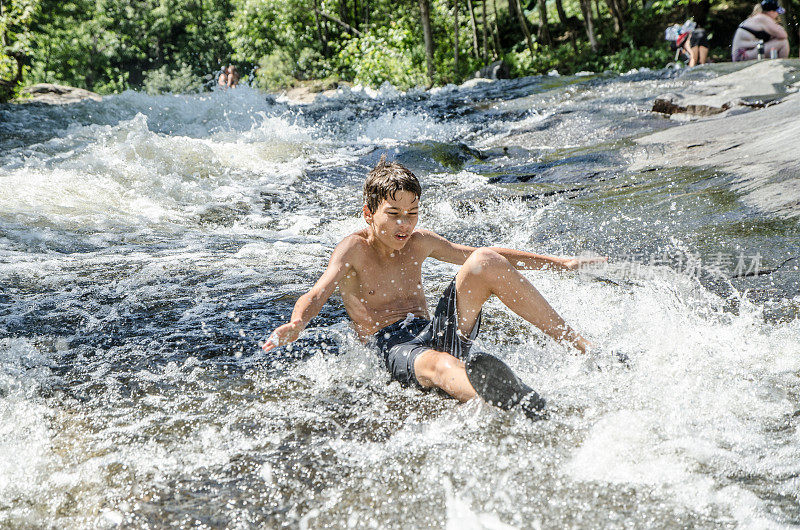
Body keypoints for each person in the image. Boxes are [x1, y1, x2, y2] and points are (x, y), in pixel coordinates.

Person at [263, 156, 607, 415]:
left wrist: (561, 263)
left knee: (483, 262)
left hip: (433, 330)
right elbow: (317, 292)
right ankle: (514, 401)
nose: (404, 224)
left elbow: (487, 257)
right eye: (393, 213)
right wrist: (297, 323)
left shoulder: (420, 241)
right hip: (394, 348)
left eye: (412, 213)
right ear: (369, 213)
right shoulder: (353, 249)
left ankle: (583, 347)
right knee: (439, 365)